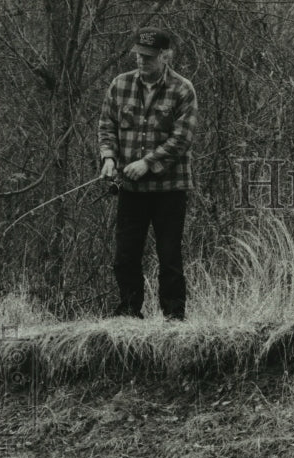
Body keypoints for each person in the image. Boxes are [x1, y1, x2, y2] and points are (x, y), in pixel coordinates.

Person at [98, 26, 198, 320]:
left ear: (166, 56)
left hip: (170, 189)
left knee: (169, 258)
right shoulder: (120, 85)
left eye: (149, 57)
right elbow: (106, 126)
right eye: (139, 55)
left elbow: (182, 139)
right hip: (131, 190)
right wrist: (108, 158)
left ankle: (174, 318)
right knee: (125, 257)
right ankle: (129, 312)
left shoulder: (183, 89)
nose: (142, 61)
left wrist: (147, 163)